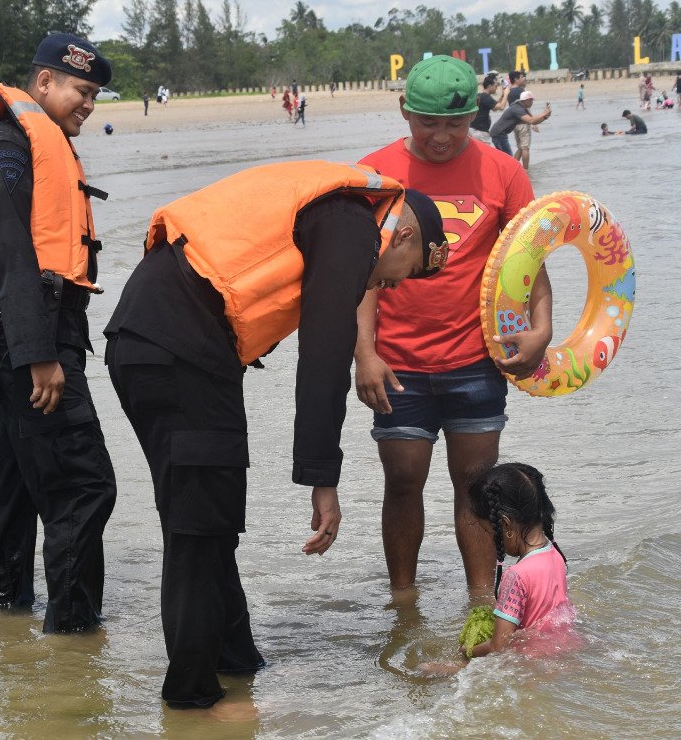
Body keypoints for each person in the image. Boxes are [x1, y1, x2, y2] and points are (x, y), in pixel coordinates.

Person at [106, 159, 450, 709]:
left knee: (209, 518)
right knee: (197, 528)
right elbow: (324, 352)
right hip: (177, 348)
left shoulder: (340, 212)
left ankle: (237, 663)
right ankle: (191, 701)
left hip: (164, 344)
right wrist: (322, 479)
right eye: (400, 273)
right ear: (403, 233)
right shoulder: (349, 220)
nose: (386, 285)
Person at [356, 55, 553, 597]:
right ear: (404, 111)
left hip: (475, 360)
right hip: (398, 364)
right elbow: (359, 277)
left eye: (455, 123)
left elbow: (529, 260)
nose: (441, 136)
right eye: (428, 123)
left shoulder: (503, 171)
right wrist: (364, 354)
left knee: (476, 490)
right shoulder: (373, 174)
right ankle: (403, 599)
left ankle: (483, 603)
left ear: (475, 115)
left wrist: (541, 329)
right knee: (401, 482)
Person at [0, 32, 116, 634]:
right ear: (43, 82)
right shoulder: (4, 142)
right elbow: (11, 252)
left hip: (40, 335)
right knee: (86, 486)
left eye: (96, 95)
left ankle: (6, 621)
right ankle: (74, 636)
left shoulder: (35, 140)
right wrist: (39, 356)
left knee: (19, 484)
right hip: (32, 342)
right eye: (81, 90)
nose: (89, 105)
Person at [463, 462, 575, 658]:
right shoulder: (555, 555)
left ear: (505, 525)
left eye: (490, 531)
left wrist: (467, 651)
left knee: (428, 669)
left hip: (529, 662)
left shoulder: (515, 576)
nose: (491, 539)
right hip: (560, 651)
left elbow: (499, 646)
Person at [489, 90, 551, 166]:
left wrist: (545, 117)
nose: (532, 103)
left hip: (500, 134)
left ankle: (509, 173)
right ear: (526, 100)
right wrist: (544, 113)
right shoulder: (517, 109)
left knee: (507, 160)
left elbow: (533, 122)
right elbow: (531, 120)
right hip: (498, 135)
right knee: (508, 161)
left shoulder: (521, 107)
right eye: (531, 100)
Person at [469, 73, 507, 145]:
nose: (496, 88)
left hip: (475, 130)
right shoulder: (485, 97)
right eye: (495, 86)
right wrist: (506, 94)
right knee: (485, 154)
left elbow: (494, 108)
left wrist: (502, 96)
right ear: (489, 86)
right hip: (479, 132)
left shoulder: (481, 96)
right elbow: (501, 107)